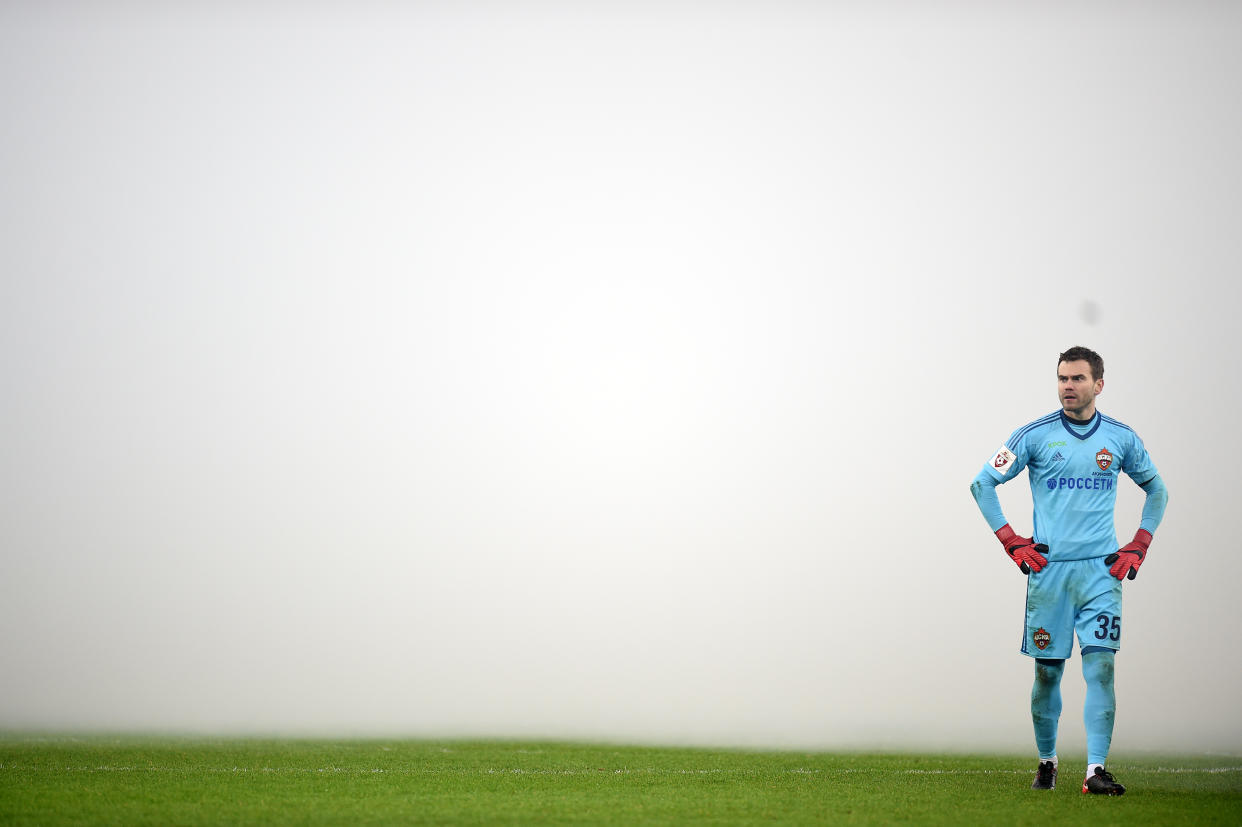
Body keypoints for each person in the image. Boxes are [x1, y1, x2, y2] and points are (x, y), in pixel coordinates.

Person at [969, 346, 1168, 795]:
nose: (1068, 387)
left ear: (1099, 384)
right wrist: (1011, 541)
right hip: (1050, 576)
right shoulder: (1033, 436)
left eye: (1078, 379)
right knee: (1048, 673)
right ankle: (1047, 761)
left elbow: (1157, 489)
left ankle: (1095, 770)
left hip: (1102, 575)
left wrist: (1139, 544)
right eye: (1062, 378)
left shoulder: (1120, 438)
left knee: (1100, 668)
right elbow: (982, 482)